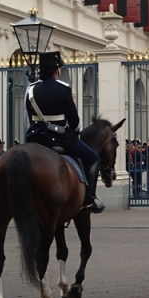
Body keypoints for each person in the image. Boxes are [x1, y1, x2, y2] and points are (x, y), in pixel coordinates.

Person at [24, 51, 105, 213]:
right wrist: (74, 134)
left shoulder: (31, 90)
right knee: (94, 159)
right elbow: (74, 120)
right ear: (56, 71)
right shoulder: (63, 88)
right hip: (59, 138)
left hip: (35, 138)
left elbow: (28, 116)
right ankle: (89, 200)